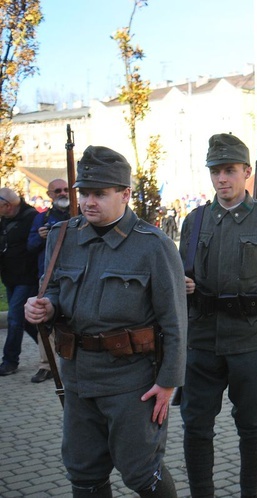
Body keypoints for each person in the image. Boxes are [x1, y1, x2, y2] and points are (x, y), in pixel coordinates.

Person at [24, 145, 186, 497]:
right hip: (79, 377)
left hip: (133, 382)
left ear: (125, 194)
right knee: (83, 472)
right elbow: (51, 290)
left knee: (142, 473)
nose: (88, 201)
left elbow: (174, 322)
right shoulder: (63, 237)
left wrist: (169, 382)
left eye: (100, 193)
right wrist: (44, 308)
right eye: (84, 193)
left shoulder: (154, 246)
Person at [179, 134, 257, 497]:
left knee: (252, 425)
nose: (222, 179)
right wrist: (184, 284)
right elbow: (184, 276)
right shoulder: (195, 221)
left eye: (229, 170)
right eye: (215, 171)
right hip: (201, 341)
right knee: (196, 425)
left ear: (246, 172)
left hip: (251, 341)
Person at [26, 178, 71, 383]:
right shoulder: (42, 219)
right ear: (50, 195)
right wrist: (40, 237)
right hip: (49, 277)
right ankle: (47, 365)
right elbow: (30, 245)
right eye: (58, 191)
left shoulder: (80, 214)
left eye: (66, 189)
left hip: (75, 277)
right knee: (44, 321)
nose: (63, 193)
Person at [0, 188, 40, 376]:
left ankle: (10, 361)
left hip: (26, 277)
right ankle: (50, 347)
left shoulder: (31, 218)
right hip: (10, 277)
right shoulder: (4, 220)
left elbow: (34, 246)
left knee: (14, 318)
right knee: (25, 320)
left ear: (7, 206)